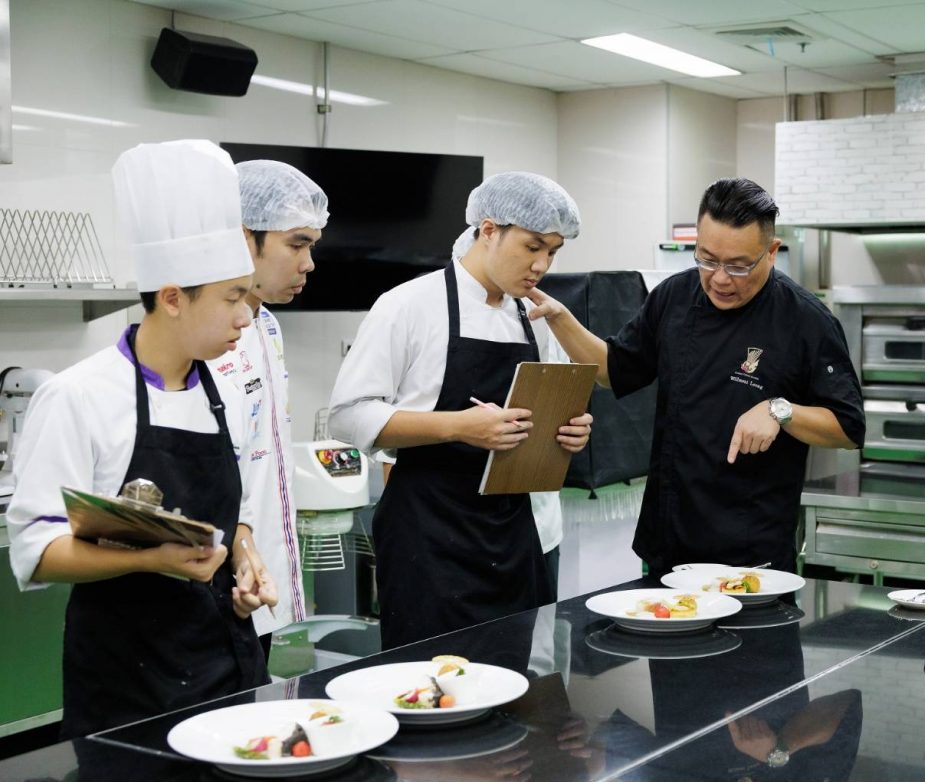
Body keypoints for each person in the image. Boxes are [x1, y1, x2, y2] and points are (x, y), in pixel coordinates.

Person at [6, 140, 275, 738]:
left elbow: (229, 519)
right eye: (233, 298)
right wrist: (154, 558)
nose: (245, 317)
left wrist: (244, 558)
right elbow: (35, 550)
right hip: (129, 684)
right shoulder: (80, 396)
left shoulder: (226, 391)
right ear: (173, 298)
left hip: (229, 663)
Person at [528, 177, 864, 577]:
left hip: (751, 560)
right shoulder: (674, 296)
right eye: (706, 259)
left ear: (771, 252)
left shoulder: (806, 319)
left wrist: (780, 410)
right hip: (669, 547)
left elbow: (848, 427)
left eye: (738, 266)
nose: (719, 278)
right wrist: (561, 319)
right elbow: (611, 370)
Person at [328, 171, 591, 649]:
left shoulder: (533, 317)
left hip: (513, 533)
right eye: (532, 247)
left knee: (516, 681)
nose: (542, 265)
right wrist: (458, 427)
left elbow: (542, 410)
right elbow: (347, 416)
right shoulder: (408, 305)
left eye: (553, 252)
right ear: (488, 230)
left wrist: (566, 430)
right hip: (428, 536)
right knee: (428, 679)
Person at [208, 160, 328, 656]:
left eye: (311, 246)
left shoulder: (268, 326)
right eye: (297, 244)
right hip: (219, 576)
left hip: (264, 578)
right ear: (243, 237)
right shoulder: (204, 340)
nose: (308, 263)